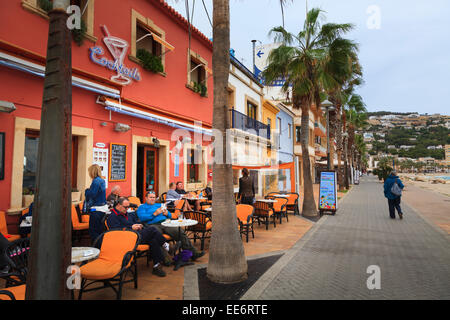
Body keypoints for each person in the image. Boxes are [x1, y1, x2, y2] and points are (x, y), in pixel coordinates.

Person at [107, 197, 168, 277]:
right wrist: (131, 228)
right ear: (118, 205)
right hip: (127, 239)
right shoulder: (113, 216)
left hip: (137, 235)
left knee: (153, 240)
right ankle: (166, 245)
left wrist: (139, 225)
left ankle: (156, 266)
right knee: (152, 229)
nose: (127, 209)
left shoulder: (126, 213)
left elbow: (135, 221)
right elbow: (114, 231)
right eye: (125, 207)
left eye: (128, 207)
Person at [136, 192, 205, 261]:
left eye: (154, 197)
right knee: (157, 236)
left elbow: (169, 215)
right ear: (146, 198)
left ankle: (194, 253)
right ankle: (164, 259)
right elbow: (142, 218)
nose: (153, 199)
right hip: (152, 225)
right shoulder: (142, 207)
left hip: (165, 223)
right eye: (151, 197)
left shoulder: (159, 205)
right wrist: (154, 214)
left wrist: (167, 214)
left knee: (180, 231)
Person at [85, 164, 108, 243]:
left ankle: (96, 249)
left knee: (94, 232)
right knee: (99, 230)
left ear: (92, 172)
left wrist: (87, 191)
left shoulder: (96, 181)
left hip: (96, 209)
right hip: (103, 209)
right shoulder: (102, 180)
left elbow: (92, 194)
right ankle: (100, 248)